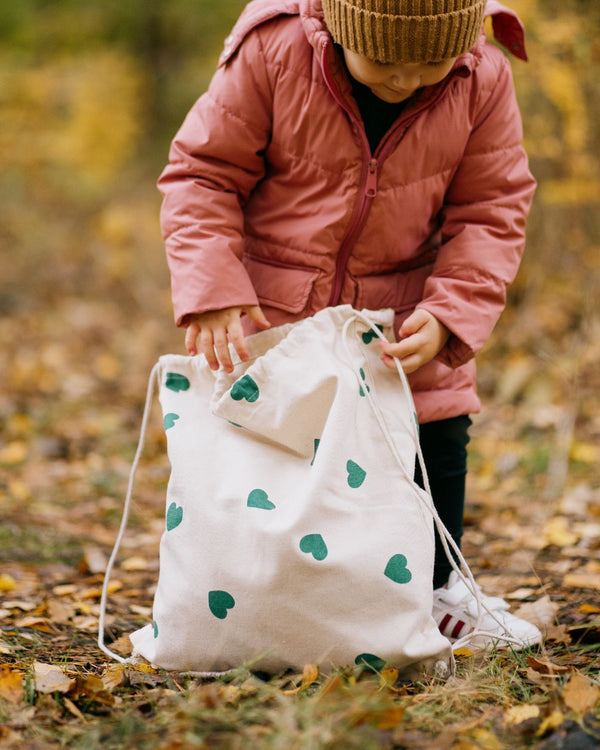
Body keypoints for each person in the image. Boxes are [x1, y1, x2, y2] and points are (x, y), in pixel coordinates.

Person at [158, 0, 542, 649]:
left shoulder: (483, 78)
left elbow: (492, 209)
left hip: (403, 315)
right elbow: (203, 175)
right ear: (342, 25)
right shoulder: (274, 54)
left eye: (430, 62)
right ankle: (248, 594)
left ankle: (436, 591)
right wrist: (214, 290)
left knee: (435, 428)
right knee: (271, 457)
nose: (404, 80)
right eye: (385, 60)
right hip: (274, 307)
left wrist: (451, 313)